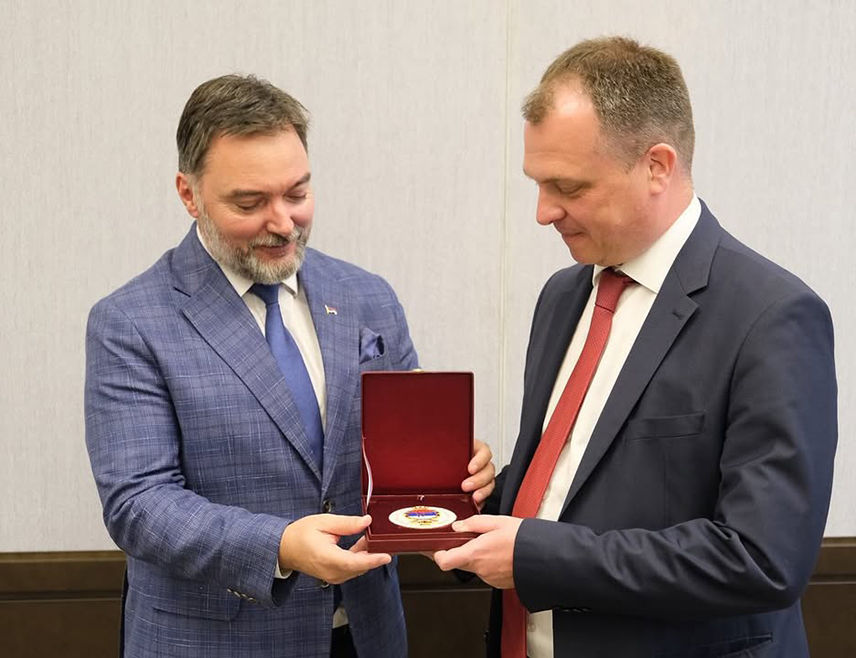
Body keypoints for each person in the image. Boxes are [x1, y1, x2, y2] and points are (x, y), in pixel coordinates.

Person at [434, 36, 837, 658]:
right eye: (537, 184)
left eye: (568, 187)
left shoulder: (772, 316)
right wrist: (485, 498)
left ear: (657, 165)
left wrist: (535, 553)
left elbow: (762, 559)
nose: (544, 213)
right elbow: (581, 485)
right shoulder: (563, 297)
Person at [84, 74, 495, 658]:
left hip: (367, 633)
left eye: (297, 194)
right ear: (189, 193)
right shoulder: (131, 322)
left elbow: (403, 456)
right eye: (249, 203)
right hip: (215, 641)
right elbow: (139, 505)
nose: (282, 223)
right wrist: (278, 545)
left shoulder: (367, 296)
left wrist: (456, 470)